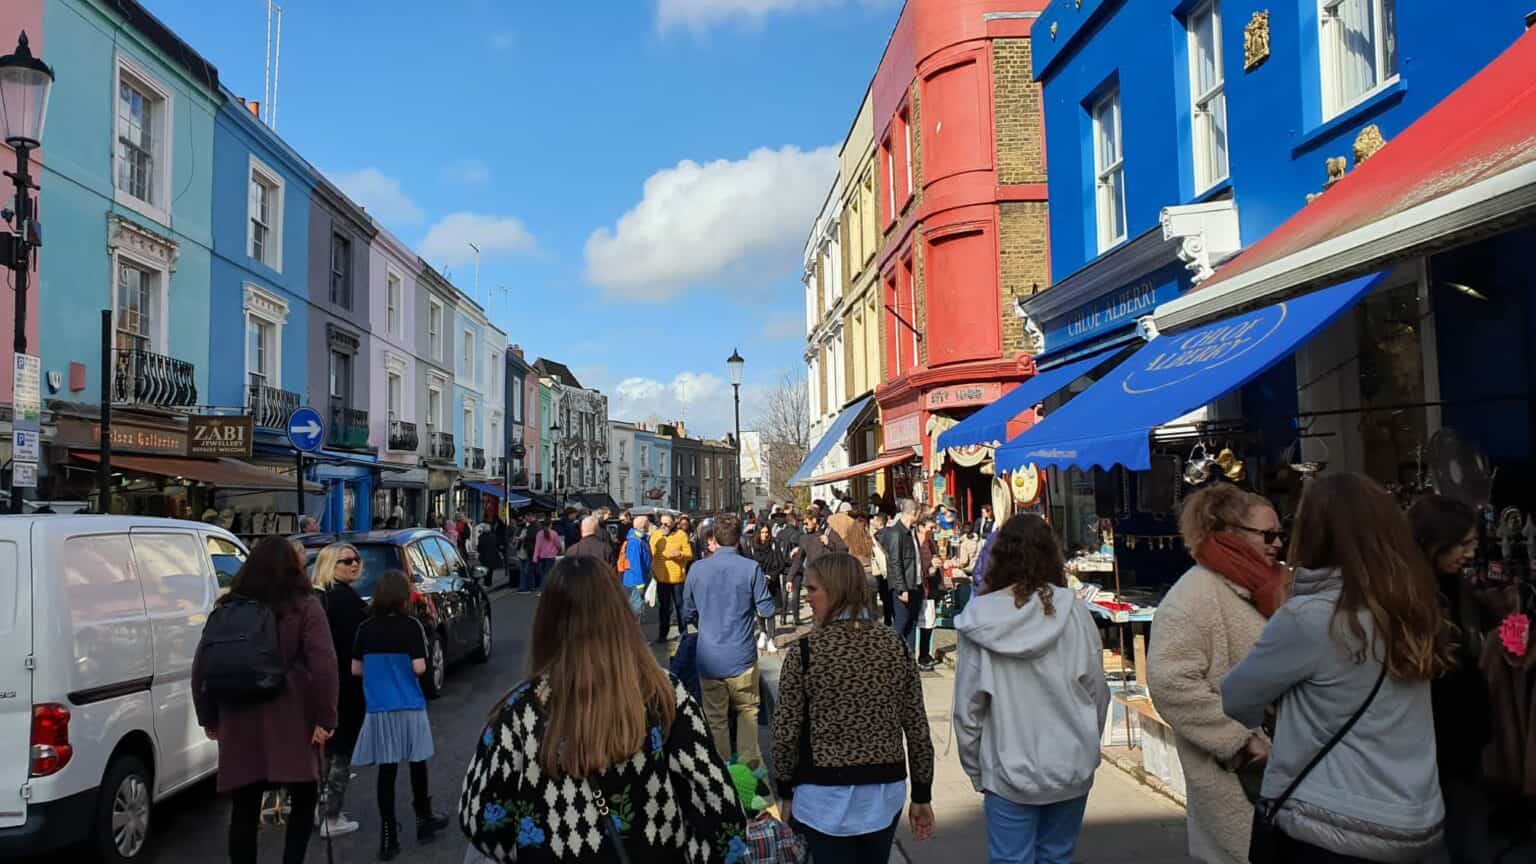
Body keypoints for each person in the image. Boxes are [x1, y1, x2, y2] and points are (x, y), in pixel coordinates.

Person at [1222, 473, 1451, 863]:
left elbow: (1236, 699)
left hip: (1330, 826)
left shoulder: (1310, 617)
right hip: (1418, 821)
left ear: (1311, 534)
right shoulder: (1411, 608)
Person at [458, 556, 748, 861]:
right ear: (620, 616)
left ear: (545, 622)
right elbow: (721, 811)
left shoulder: (519, 712)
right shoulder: (663, 696)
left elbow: (477, 816)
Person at [953, 514, 1110, 864]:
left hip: (1009, 773)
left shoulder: (982, 618)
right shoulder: (1075, 613)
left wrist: (977, 770)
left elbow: (968, 711)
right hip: (1070, 765)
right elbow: (1098, 692)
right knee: (1057, 857)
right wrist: (1087, 744)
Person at [1146, 485, 1287, 864]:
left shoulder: (1273, 586)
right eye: (1268, 535)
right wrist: (1242, 744)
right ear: (1231, 533)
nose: (1277, 544)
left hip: (1290, 773)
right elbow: (1168, 683)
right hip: (1237, 779)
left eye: (1281, 534)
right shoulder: (1193, 597)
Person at [772, 553, 936, 861]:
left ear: (835, 591)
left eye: (812, 589)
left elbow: (785, 731)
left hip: (822, 795)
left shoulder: (805, 653)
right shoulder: (896, 645)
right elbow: (916, 725)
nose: (807, 598)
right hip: (884, 793)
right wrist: (922, 792)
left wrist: (784, 788)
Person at [192, 536, 338, 864]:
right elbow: (325, 664)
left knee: (244, 810)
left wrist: (208, 718)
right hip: (292, 719)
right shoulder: (304, 606)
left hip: (239, 719)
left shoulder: (228, 608)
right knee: (303, 799)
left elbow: (202, 665)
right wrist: (326, 718)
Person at [1409, 494, 1492, 864]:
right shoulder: (1413, 598)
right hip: (1436, 744)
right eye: (1463, 544)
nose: (1471, 553)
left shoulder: (1451, 586)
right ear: (1433, 542)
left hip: (1462, 744)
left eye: (1474, 543)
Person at [351, 570, 450, 860]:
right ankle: (423, 818)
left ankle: (388, 835)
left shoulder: (365, 628)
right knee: (417, 763)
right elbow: (420, 667)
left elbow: (355, 669)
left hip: (380, 707)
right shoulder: (411, 626)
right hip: (409, 703)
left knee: (387, 770)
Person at [679, 514, 777, 769]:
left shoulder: (697, 569)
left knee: (715, 719)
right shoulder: (750, 568)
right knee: (747, 714)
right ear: (738, 539)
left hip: (709, 656)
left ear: (714, 538)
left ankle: (723, 775)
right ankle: (749, 777)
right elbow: (767, 610)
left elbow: (687, 611)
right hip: (742, 654)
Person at [313, 544, 369, 839]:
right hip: (346, 685)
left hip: (324, 684)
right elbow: (354, 646)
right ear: (330, 566)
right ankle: (330, 816)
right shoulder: (343, 600)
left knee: (329, 751)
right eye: (346, 561)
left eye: (357, 559)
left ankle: (319, 808)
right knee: (342, 752)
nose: (354, 564)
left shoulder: (320, 598)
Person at [881, 500, 923, 654]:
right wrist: (901, 588)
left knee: (912, 623)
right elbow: (895, 563)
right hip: (904, 587)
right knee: (901, 623)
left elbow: (915, 559)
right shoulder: (895, 533)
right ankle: (891, 657)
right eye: (919, 513)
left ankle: (909, 657)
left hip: (916, 584)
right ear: (914, 513)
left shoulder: (911, 531)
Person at [652, 513, 694, 642]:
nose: (663, 526)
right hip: (662, 577)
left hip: (677, 578)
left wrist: (679, 554)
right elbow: (652, 554)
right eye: (662, 523)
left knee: (680, 606)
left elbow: (689, 555)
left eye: (667, 524)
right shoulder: (656, 535)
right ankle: (662, 634)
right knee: (664, 607)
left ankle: (683, 632)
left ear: (673, 523)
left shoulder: (681, 535)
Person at [746, 522, 788, 653]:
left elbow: (781, 564)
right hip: (757, 583)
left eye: (766, 532)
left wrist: (770, 576)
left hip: (772, 582)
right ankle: (763, 632)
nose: (764, 535)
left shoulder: (774, 545)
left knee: (770, 612)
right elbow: (749, 564)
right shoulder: (752, 546)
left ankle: (770, 638)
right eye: (762, 532)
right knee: (758, 609)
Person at [784, 510, 830, 627]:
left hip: (826, 576)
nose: (804, 526)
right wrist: (789, 578)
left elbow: (839, 551)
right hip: (812, 577)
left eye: (806, 523)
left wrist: (829, 543)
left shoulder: (825, 535)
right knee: (815, 604)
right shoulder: (804, 539)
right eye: (803, 524)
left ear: (814, 520)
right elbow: (798, 560)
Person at [915, 517, 941, 672]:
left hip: (928, 588)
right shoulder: (914, 543)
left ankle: (924, 655)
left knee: (928, 623)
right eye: (930, 527)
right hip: (916, 588)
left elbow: (931, 570)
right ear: (920, 527)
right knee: (913, 625)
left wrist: (935, 566)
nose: (932, 531)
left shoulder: (931, 544)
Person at [620, 514, 653, 615]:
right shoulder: (635, 541)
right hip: (635, 581)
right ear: (643, 525)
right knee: (635, 610)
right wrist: (640, 584)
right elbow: (635, 564)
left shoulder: (639, 539)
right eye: (648, 523)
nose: (650, 525)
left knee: (635, 609)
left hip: (636, 580)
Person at [869, 513, 894, 626]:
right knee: (890, 597)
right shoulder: (891, 533)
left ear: (880, 523)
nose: (872, 522)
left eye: (874, 520)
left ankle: (888, 620)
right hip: (892, 568)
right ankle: (892, 618)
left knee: (886, 597)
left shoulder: (877, 536)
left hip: (883, 571)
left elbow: (879, 556)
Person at [529, 519, 562, 592]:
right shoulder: (554, 533)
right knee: (548, 573)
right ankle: (544, 589)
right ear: (550, 525)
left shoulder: (539, 534)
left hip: (541, 556)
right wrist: (560, 550)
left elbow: (537, 546)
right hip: (550, 556)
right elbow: (558, 544)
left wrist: (535, 556)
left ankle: (545, 588)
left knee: (544, 573)